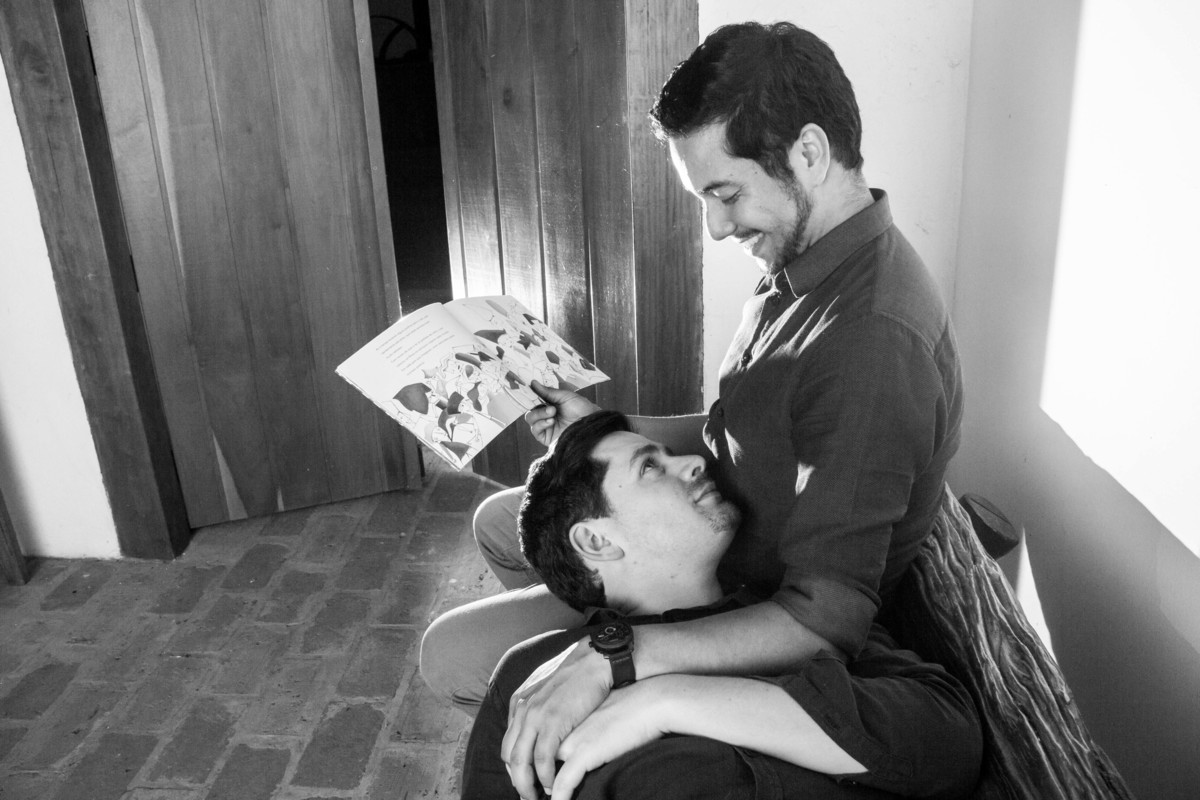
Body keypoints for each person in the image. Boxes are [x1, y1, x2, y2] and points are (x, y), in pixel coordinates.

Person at [420, 20, 966, 797]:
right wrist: (606, 425)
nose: (715, 226)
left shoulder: (871, 345)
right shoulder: (804, 260)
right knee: (496, 521)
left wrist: (618, 656)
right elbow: (741, 427)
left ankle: (560, 719)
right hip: (717, 529)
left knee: (454, 655)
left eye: (726, 194)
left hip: (744, 599)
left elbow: (823, 620)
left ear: (809, 154)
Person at [461, 411, 980, 800]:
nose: (694, 462)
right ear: (596, 541)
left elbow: (948, 742)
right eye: (650, 467)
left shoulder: (792, 623)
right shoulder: (531, 675)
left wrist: (672, 700)